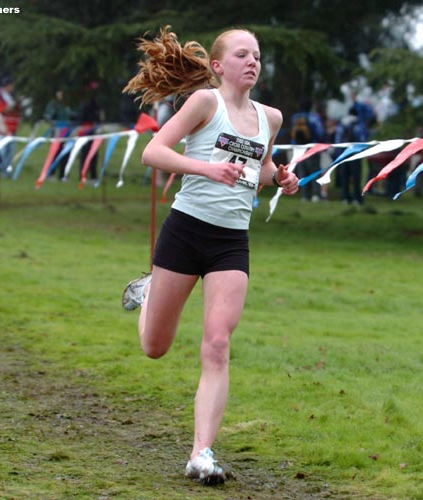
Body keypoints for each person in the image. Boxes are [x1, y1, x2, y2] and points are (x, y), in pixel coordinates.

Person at [121, 25, 299, 485]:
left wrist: (277, 179)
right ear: (219, 66)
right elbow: (152, 152)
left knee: (217, 345)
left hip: (230, 242)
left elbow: (257, 170)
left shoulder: (270, 118)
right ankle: (147, 294)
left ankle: (202, 453)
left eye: (257, 55)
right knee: (154, 347)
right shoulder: (204, 102)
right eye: (242, 54)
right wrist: (205, 167)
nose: (252, 62)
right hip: (184, 232)